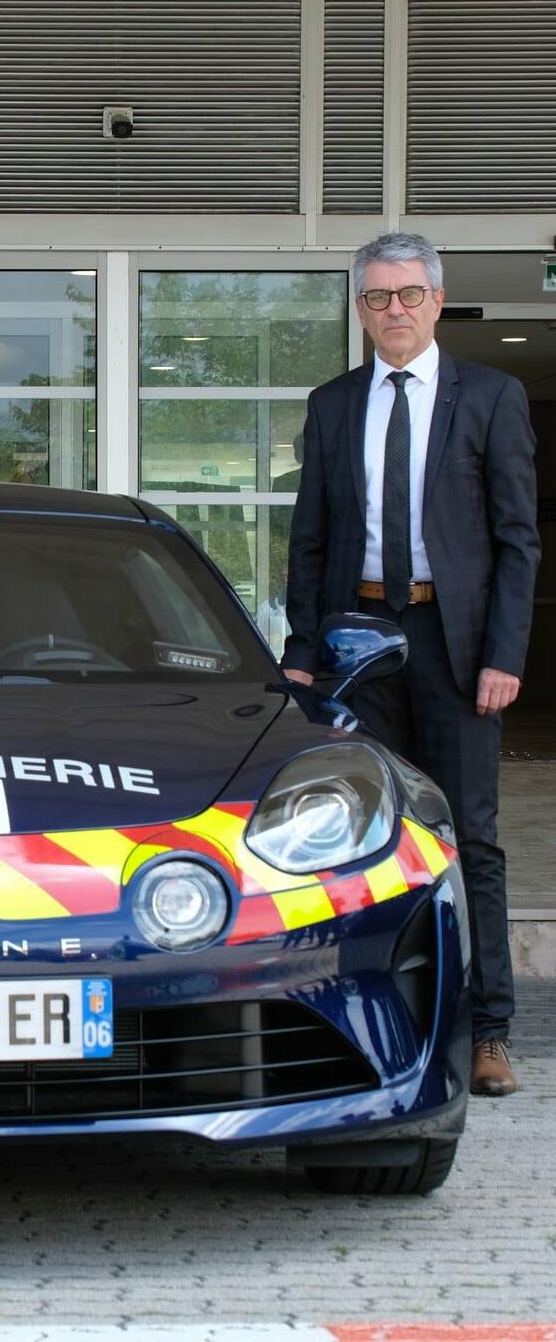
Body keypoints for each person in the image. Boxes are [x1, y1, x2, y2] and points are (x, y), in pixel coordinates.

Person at [283, 232, 540, 1097]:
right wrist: (300, 655)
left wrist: (503, 653)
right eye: (376, 297)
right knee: (360, 833)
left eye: (407, 294)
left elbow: (516, 539)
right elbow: (308, 540)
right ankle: (373, 1024)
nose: (392, 310)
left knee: (469, 836)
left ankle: (488, 1031)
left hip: (455, 644)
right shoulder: (332, 405)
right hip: (355, 641)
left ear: (436, 300)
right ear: (359, 310)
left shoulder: (491, 397)